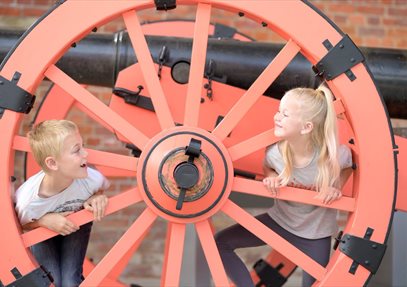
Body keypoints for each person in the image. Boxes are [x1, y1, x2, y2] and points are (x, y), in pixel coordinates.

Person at [215, 86, 353, 287]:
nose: (277, 117)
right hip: (279, 223)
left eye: (285, 114)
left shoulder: (334, 156)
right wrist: (270, 176)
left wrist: (336, 186)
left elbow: (349, 167)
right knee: (221, 242)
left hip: (316, 235)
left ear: (306, 127)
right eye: (279, 111)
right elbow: (268, 166)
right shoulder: (276, 154)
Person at [15, 120, 110, 287]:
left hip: (76, 226)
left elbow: (100, 190)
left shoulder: (91, 179)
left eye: (83, 146)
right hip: (42, 233)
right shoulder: (29, 200)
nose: (86, 154)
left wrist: (97, 198)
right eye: (77, 150)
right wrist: (43, 221)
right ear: (52, 163)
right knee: (52, 282)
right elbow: (21, 227)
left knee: (70, 281)